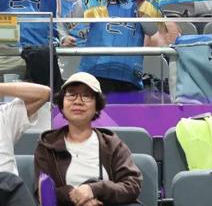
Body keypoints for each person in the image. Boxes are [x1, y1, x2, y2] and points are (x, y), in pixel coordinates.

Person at [34, 72, 141, 206]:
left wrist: (94, 189)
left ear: (97, 106)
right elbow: (43, 192)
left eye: (86, 96)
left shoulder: (112, 145)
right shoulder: (47, 146)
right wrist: (77, 197)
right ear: (62, 104)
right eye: (71, 94)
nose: (78, 101)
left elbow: (132, 185)